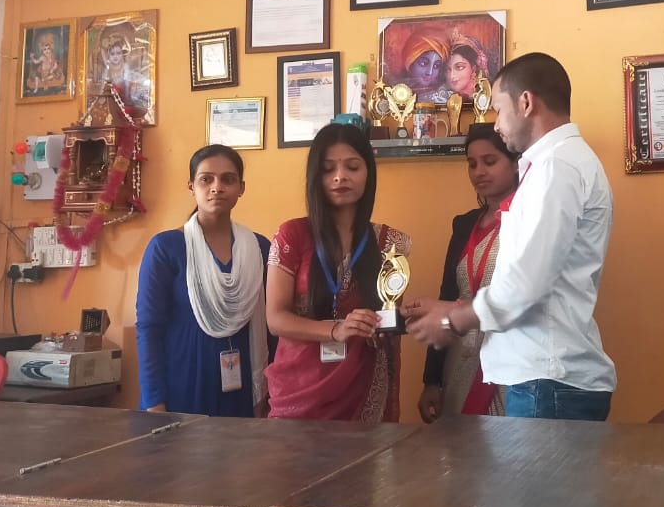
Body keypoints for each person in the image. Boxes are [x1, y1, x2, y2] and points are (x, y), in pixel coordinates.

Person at [405, 52, 616, 421]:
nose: (498, 124)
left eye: (499, 110)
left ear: (526, 103)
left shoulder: (557, 167)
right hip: (545, 377)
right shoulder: (555, 163)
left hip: (547, 381)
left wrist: (453, 320)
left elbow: (525, 284)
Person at [264, 123, 411, 421]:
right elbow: (275, 319)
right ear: (314, 177)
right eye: (328, 169)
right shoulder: (292, 235)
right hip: (300, 389)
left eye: (352, 167)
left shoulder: (390, 243)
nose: (340, 176)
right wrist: (336, 329)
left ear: (368, 173)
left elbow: (388, 313)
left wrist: (397, 321)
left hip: (363, 384)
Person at [136, 145, 272, 417]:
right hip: (183, 386)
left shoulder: (259, 248)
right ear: (191, 187)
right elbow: (149, 328)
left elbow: (271, 329)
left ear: (241, 188)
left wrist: (270, 394)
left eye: (228, 179)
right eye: (206, 179)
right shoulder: (166, 247)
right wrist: (154, 402)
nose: (217, 187)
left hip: (244, 389)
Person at [418, 125, 519, 422]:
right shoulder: (464, 225)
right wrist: (431, 381)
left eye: (490, 161)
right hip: (460, 357)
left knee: (507, 443)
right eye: (472, 164)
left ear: (515, 163)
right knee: (461, 445)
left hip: (509, 358)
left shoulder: (527, 221)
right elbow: (446, 297)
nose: (479, 172)